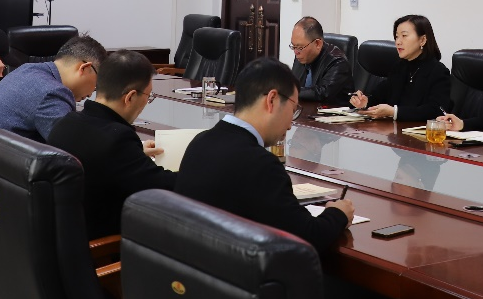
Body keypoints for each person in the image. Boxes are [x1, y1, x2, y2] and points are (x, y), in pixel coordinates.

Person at [176, 57, 354, 253]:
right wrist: (338, 214)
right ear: (272, 100)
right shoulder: (261, 164)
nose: (290, 125)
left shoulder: (200, 142)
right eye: (293, 110)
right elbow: (308, 236)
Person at [47, 50, 177, 239]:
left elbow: (102, 160)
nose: (146, 103)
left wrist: (134, 155)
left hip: (63, 236)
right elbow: (165, 189)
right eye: (148, 97)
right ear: (130, 97)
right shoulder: (117, 140)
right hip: (104, 246)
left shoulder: (66, 123)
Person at [0, 35, 106, 141]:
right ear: (84, 68)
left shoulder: (26, 69)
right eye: (96, 85)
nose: (91, 94)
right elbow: (72, 147)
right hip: (3, 162)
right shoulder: (53, 93)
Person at [349, 14, 450, 121]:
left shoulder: (438, 71)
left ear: (422, 40)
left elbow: (436, 111)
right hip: (391, 129)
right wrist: (364, 102)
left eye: (404, 36)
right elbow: (379, 96)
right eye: (397, 37)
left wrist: (394, 112)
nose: (398, 42)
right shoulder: (399, 67)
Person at [289, 16, 352, 103]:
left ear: (318, 43)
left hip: (332, 110)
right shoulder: (301, 54)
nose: (296, 52)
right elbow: (294, 84)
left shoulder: (338, 62)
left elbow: (323, 93)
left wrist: (289, 91)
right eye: (293, 46)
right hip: (305, 108)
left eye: (300, 47)